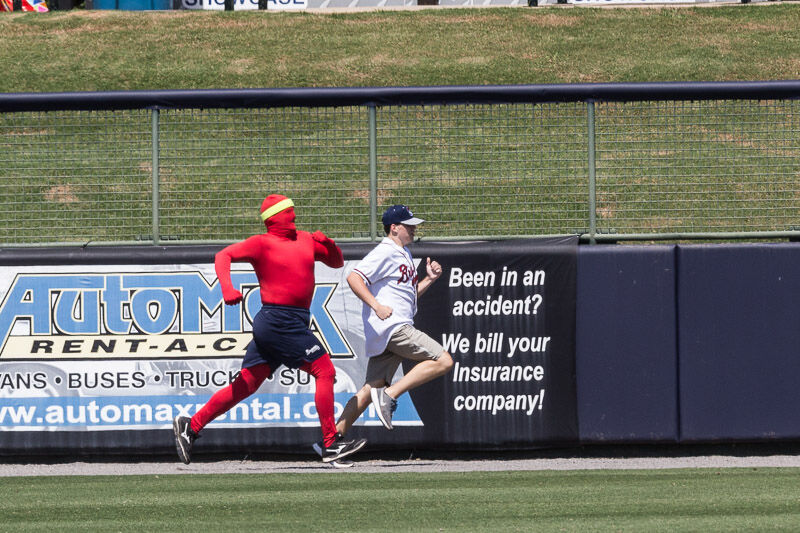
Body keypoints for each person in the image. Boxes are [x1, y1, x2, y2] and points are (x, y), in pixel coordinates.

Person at [172, 194, 366, 465]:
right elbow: (223, 256)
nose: (294, 216)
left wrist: (329, 243)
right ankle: (331, 443)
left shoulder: (305, 239)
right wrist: (227, 288)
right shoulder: (262, 243)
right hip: (278, 320)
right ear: (275, 217)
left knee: (246, 385)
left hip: (290, 322)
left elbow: (335, 262)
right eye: (289, 212)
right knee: (325, 370)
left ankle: (190, 426)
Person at [335, 205, 454, 436]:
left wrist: (429, 280)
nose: (414, 229)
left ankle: (330, 439)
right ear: (394, 228)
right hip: (393, 327)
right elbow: (354, 277)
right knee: (444, 360)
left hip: (391, 328)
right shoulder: (386, 250)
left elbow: (406, 297)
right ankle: (390, 395)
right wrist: (376, 306)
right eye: (408, 225)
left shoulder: (403, 253)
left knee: (370, 389)